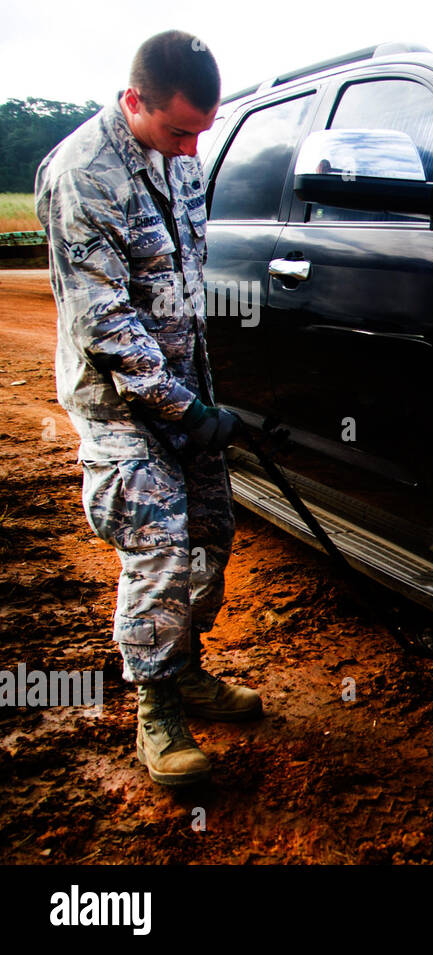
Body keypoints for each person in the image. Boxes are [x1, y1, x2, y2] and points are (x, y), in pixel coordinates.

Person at [35, 30, 261, 788]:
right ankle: (156, 709)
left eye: (203, 130)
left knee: (211, 533)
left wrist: (203, 397)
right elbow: (106, 325)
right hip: (119, 402)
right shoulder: (81, 175)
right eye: (179, 130)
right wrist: (181, 408)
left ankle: (185, 665)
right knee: (159, 541)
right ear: (134, 101)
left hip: (182, 387)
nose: (194, 148)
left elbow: (185, 290)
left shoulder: (181, 157)